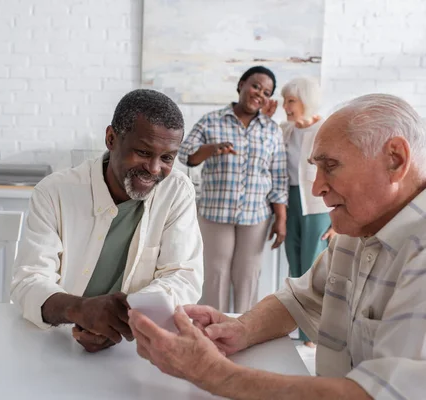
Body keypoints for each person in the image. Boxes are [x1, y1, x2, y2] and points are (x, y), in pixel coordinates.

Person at [129, 93, 426, 399]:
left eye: (331, 166)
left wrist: (211, 372)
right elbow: (298, 299)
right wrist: (242, 328)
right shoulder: (358, 231)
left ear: (395, 160)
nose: (316, 187)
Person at [10, 88, 203, 353]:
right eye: (144, 152)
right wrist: (79, 311)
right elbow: (29, 280)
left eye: (167, 157)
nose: (155, 168)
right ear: (111, 138)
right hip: (53, 342)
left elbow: (183, 276)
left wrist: (125, 320)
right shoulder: (54, 191)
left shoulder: (177, 191)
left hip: (135, 348)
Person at [178, 66, 288, 314]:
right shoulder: (211, 120)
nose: (260, 93)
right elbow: (186, 154)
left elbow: (279, 177)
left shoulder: (271, 130)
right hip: (215, 213)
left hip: (256, 216)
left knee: (248, 277)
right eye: (256, 86)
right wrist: (212, 148)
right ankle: (211, 330)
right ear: (241, 85)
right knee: (215, 275)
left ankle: (242, 331)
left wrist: (281, 218)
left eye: (267, 92)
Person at [280, 77, 335, 348]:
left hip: (318, 205)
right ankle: (300, 331)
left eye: (291, 101)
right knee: (295, 267)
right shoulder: (286, 131)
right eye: (284, 100)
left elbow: (339, 172)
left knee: (316, 269)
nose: (285, 106)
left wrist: (337, 219)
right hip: (291, 202)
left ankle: (315, 334)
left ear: (306, 101)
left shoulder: (326, 130)